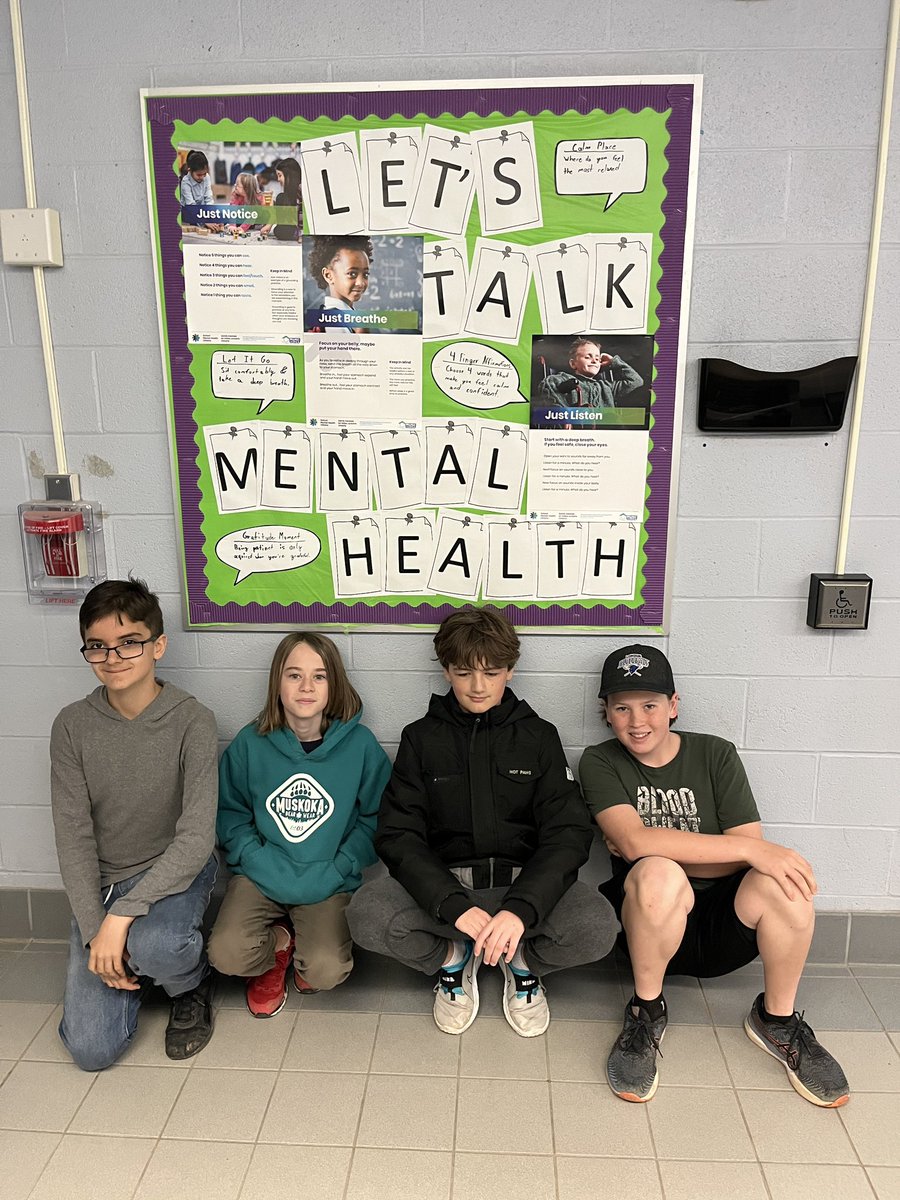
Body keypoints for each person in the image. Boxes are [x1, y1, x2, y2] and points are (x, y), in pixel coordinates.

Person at [579, 644, 849, 1107]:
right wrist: (737, 848)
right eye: (621, 707)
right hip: (651, 926)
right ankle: (646, 1013)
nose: (637, 720)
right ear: (606, 713)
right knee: (657, 874)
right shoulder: (600, 761)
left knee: (785, 882)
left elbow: (754, 860)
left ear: (673, 705)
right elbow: (641, 845)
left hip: (726, 923)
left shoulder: (715, 754)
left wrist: (661, 845)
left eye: (650, 705)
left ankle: (776, 1020)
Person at [347, 607, 618, 1038]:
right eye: (463, 672)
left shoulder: (540, 736)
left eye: (490, 672)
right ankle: (453, 959)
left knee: (599, 927)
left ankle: (522, 964)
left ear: (510, 670)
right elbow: (398, 835)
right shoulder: (420, 738)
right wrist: (453, 905)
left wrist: (521, 909)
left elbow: (568, 834)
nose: (477, 687)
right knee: (366, 915)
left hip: (524, 887)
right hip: (448, 890)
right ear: (445, 670)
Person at [50, 578, 219, 1070]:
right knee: (91, 1052)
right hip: (103, 882)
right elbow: (74, 840)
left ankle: (189, 983)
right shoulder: (71, 726)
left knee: (157, 943)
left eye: (129, 643)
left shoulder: (193, 720)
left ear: (157, 646)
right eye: (97, 646)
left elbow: (195, 840)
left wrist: (122, 918)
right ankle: (130, 965)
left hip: (172, 869)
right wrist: (93, 930)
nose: (113, 657)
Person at [207, 633, 391, 1017]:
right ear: (277, 682)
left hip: (328, 880)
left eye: (319, 677)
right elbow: (230, 813)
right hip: (261, 874)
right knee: (226, 955)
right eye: (294, 675)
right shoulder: (249, 743)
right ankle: (276, 947)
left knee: (325, 971)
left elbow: (379, 817)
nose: (306, 687)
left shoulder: (360, 746)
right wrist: (254, 859)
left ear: (334, 684)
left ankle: (305, 949)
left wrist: (341, 866)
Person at [539, 337, 643, 409]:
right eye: (588, 357)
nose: (594, 361)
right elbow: (548, 390)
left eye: (597, 359)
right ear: (573, 363)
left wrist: (614, 361)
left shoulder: (607, 387)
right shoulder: (559, 379)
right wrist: (566, 415)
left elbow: (636, 381)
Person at [306, 234, 373, 331]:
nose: (361, 283)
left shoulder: (346, 318)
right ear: (328, 276)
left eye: (365, 274)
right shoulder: (334, 324)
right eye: (352, 274)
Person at [178, 150, 222, 232]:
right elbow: (191, 206)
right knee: (194, 221)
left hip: (202, 208)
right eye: (198, 175)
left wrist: (211, 215)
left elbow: (208, 198)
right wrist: (205, 221)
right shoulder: (185, 182)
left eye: (204, 174)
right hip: (188, 211)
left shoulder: (207, 177)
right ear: (190, 170)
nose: (202, 177)